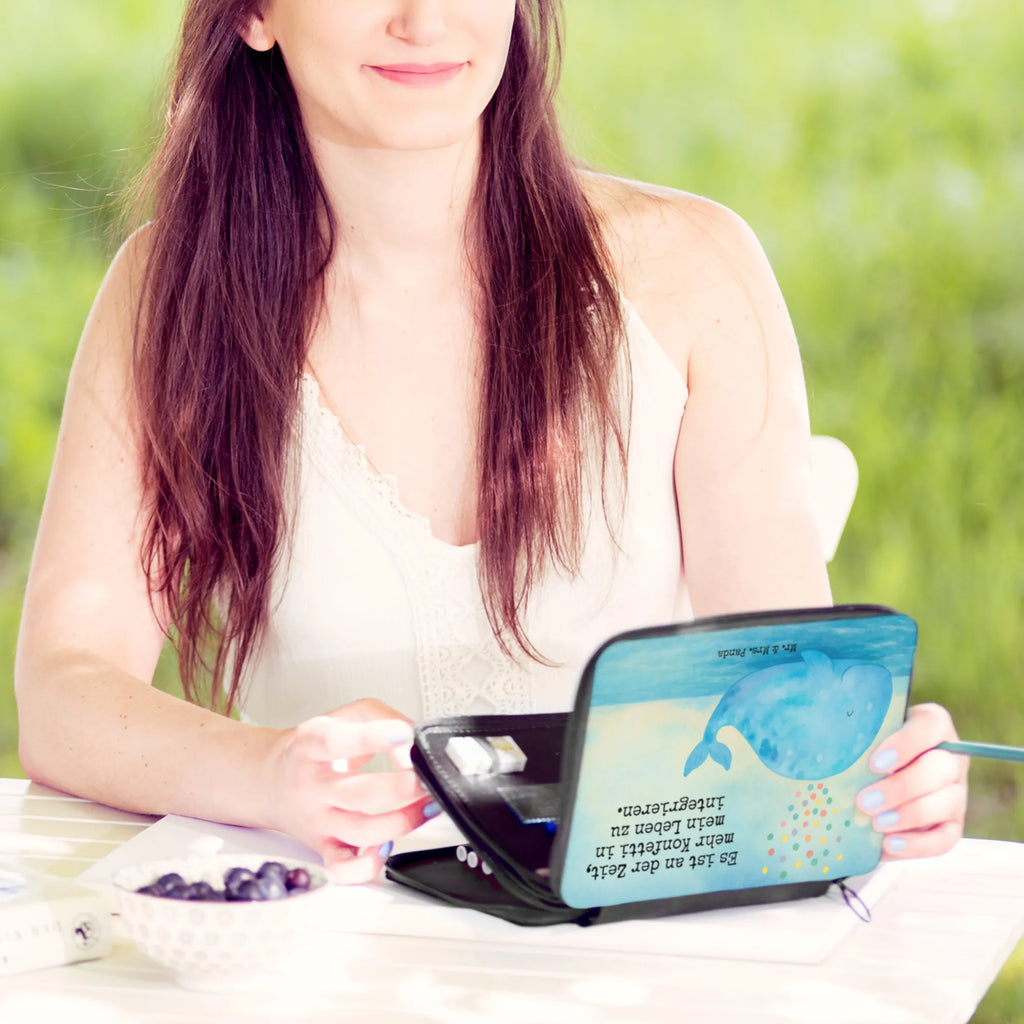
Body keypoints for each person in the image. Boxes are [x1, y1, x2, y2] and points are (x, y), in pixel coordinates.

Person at [14, 0, 967, 884]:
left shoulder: (692, 276)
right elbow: (63, 696)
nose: (424, 20)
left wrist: (886, 778)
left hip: (638, 940)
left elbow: (786, 687)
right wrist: (269, 771)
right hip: (319, 943)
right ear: (255, 13)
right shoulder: (175, 294)